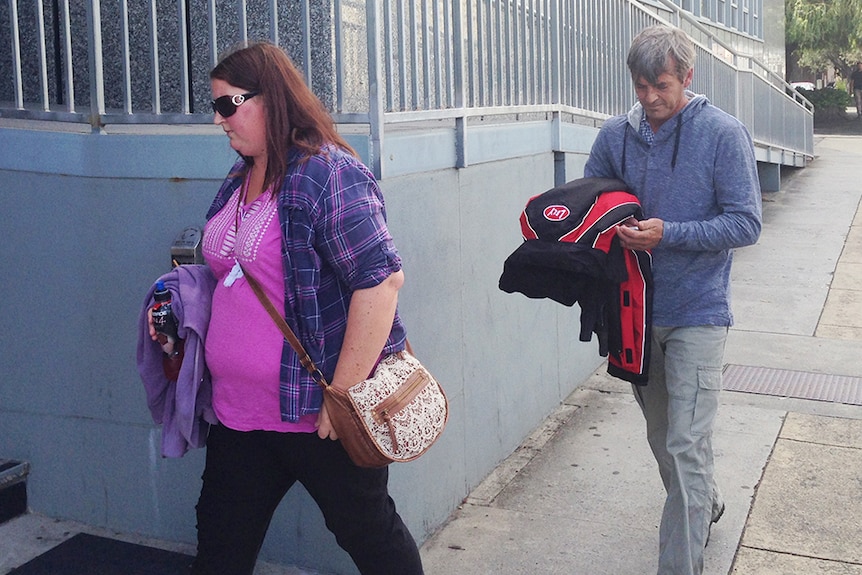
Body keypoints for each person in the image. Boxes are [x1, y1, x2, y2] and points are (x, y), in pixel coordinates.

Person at [150, 41, 424, 575]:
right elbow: (234, 273)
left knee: (371, 538)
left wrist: (341, 398)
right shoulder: (241, 175)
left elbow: (382, 281)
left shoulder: (326, 174)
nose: (218, 119)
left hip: (315, 415)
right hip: (239, 415)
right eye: (216, 106)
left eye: (229, 104)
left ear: (272, 99)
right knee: (220, 553)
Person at [583, 25, 762, 575]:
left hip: (699, 313)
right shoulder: (615, 136)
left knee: (686, 446)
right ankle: (702, 503)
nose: (650, 98)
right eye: (640, 87)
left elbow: (746, 223)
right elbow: (588, 202)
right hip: (634, 316)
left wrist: (669, 234)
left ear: (688, 76)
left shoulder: (723, 134)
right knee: (665, 441)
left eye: (661, 85)